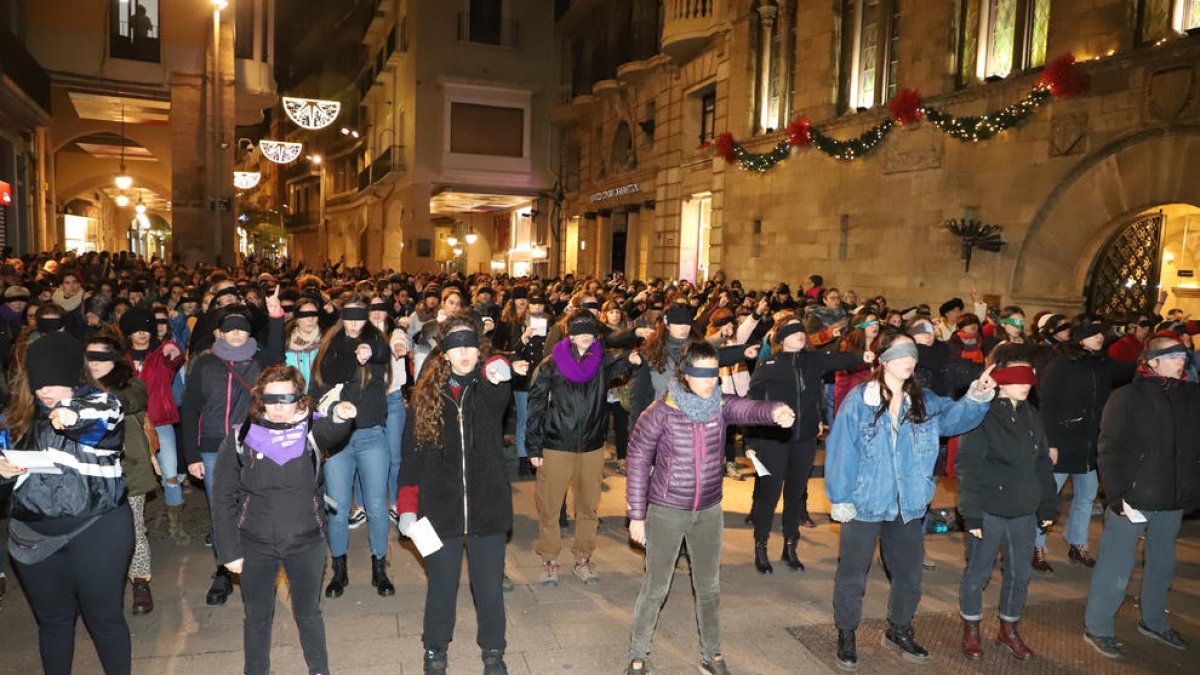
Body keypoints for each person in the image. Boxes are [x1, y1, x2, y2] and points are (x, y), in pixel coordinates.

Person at [825, 331, 996, 671]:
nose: (909, 360)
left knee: (909, 574)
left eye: (913, 355)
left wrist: (977, 395)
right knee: (853, 574)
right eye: (902, 353)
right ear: (884, 358)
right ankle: (846, 632)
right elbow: (842, 447)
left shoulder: (925, 400)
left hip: (908, 503)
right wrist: (841, 497)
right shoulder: (860, 400)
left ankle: (899, 629)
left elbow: (955, 420)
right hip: (865, 501)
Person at [624, 341, 795, 675]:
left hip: (708, 511)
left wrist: (775, 411)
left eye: (713, 373)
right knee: (656, 587)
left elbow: (749, 409)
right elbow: (638, 461)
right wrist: (636, 515)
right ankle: (637, 653)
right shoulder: (660, 412)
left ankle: (711, 654)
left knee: (709, 586)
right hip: (667, 509)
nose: (708, 381)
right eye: (700, 373)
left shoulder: (720, 405)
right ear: (685, 374)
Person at [395, 318, 528, 675]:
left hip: (487, 506)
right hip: (439, 510)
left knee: (488, 588)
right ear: (444, 352)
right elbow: (411, 457)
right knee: (441, 585)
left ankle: (494, 650)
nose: (465, 353)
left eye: (471, 345)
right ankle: (434, 648)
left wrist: (497, 368)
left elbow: (499, 391)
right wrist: (407, 506)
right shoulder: (425, 396)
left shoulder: (488, 384)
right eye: (457, 346)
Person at [212, 365, 357, 675]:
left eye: (286, 398)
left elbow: (333, 430)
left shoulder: (311, 430)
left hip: (306, 542)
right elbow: (223, 498)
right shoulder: (240, 438)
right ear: (260, 399)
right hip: (255, 544)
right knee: (257, 618)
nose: (278, 407)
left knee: (308, 614)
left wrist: (341, 415)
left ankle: (319, 670)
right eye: (271, 399)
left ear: (299, 399)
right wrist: (229, 551)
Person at [0, 332, 131, 675]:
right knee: (53, 621)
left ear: (74, 375)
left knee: (104, 618)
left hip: (97, 527)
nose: (45, 391)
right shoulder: (13, 420)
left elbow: (99, 419)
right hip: (33, 535)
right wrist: (3, 474)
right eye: (39, 383)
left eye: (54, 382)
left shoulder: (103, 404)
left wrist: (71, 415)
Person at [1084, 335, 1200, 659]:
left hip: (1173, 497)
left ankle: (1153, 621)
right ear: (1152, 361)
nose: (1181, 361)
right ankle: (1098, 627)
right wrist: (1116, 494)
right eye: (1173, 355)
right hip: (1134, 497)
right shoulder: (1127, 397)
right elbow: (1109, 448)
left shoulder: (1191, 395)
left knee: (1163, 565)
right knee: (1116, 567)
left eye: (1183, 356)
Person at [745, 315, 871, 574]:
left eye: (802, 331)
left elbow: (839, 359)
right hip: (773, 439)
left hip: (804, 440)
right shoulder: (768, 365)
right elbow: (752, 403)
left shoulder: (813, 360)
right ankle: (761, 547)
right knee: (769, 495)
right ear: (781, 339)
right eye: (793, 332)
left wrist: (863, 356)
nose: (800, 335)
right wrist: (751, 440)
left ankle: (790, 547)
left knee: (795, 495)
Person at [955, 349, 1058, 661]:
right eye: (1017, 377)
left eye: (1029, 377)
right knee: (978, 572)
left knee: (1019, 573)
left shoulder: (1032, 415)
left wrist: (1048, 504)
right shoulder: (982, 414)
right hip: (989, 508)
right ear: (999, 378)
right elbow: (968, 465)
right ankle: (971, 628)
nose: (1025, 384)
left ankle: (1008, 629)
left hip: (1024, 509)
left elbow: (1042, 463)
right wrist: (971, 513)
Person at [526, 310, 640, 587]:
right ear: (571, 335)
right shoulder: (551, 364)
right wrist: (534, 447)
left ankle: (583, 558)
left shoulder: (601, 362)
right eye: (580, 331)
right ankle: (549, 559)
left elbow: (620, 363)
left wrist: (631, 358)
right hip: (556, 444)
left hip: (591, 446)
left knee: (589, 506)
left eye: (590, 331)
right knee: (550, 506)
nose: (586, 336)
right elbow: (536, 405)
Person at [181, 300, 284, 606]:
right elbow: (190, 410)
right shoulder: (205, 364)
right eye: (229, 328)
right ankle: (223, 572)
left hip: (253, 446)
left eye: (241, 328)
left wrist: (276, 316)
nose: (236, 333)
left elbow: (277, 353)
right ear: (220, 333)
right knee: (222, 512)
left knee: (257, 510)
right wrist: (191, 455)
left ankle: (260, 572)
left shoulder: (261, 361)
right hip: (213, 448)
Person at [309, 294, 395, 598]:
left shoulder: (375, 344)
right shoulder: (330, 347)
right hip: (337, 440)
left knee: (376, 506)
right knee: (337, 507)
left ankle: (380, 568)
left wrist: (369, 350)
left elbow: (383, 353)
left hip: (371, 435)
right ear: (342, 317)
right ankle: (339, 571)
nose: (355, 323)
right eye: (350, 317)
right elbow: (316, 389)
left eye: (360, 316)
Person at [1032, 320, 1132, 573]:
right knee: (1048, 496)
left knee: (1086, 497)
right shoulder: (1062, 363)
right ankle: (1035, 545)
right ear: (1079, 338)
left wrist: (1153, 357)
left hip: (1090, 442)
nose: (1100, 337)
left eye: (1102, 333)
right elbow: (1047, 404)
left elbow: (1129, 371)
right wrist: (1051, 442)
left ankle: (1077, 543)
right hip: (1063, 440)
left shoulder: (1103, 362)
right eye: (1093, 333)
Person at [122, 307, 188, 543]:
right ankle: (135, 527)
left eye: (146, 329)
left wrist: (173, 347)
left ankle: (176, 525)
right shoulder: (121, 361)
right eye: (136, 329)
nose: (142, 333)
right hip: (131, 424)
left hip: (160, 421)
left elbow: (176, 356)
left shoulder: (163, 355)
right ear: (128, 333)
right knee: (133, 479)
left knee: (170, 475)